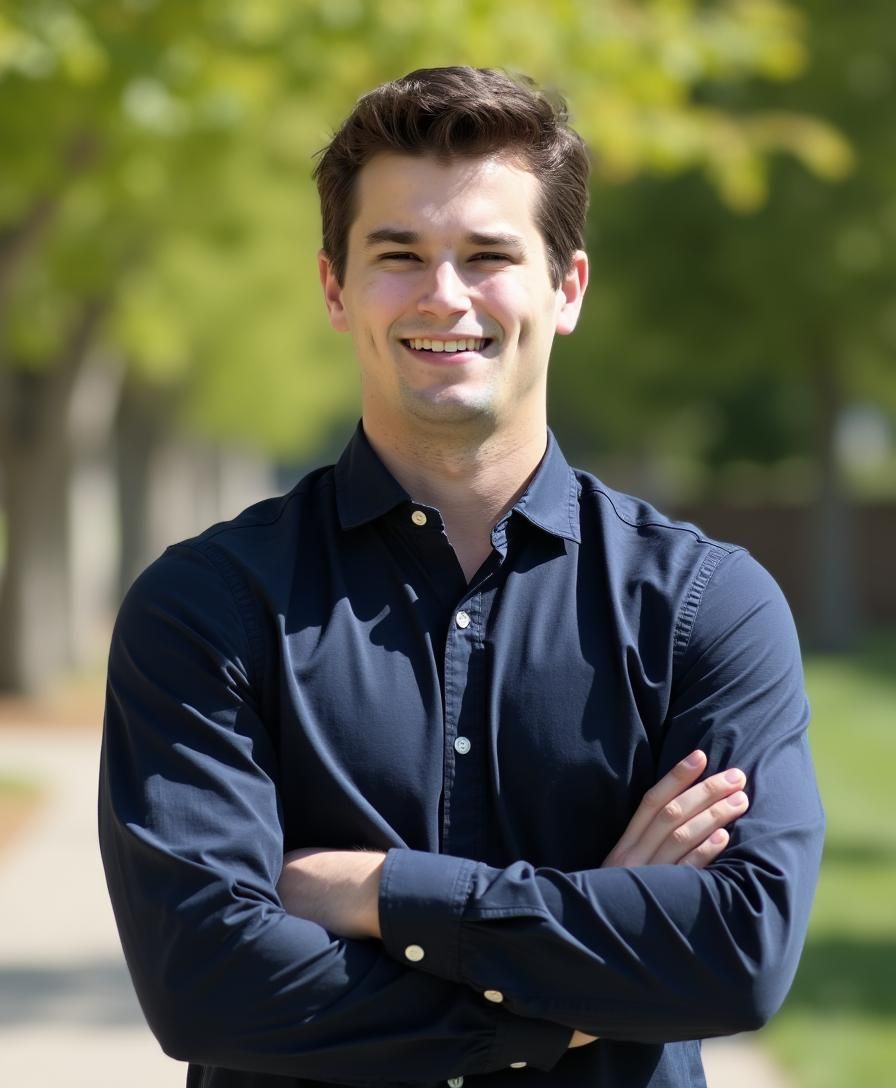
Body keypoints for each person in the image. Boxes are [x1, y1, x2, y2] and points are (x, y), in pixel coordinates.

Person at [99, 67, 824, 1088]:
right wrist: (575, 992)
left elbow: (737, 955)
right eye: (398, 255)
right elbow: (206, 981)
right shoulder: (209, 607)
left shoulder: (704, 606)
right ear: (333, 287)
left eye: (487, 255)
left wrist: (381, 893)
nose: (444, 295)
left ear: (565, 288)